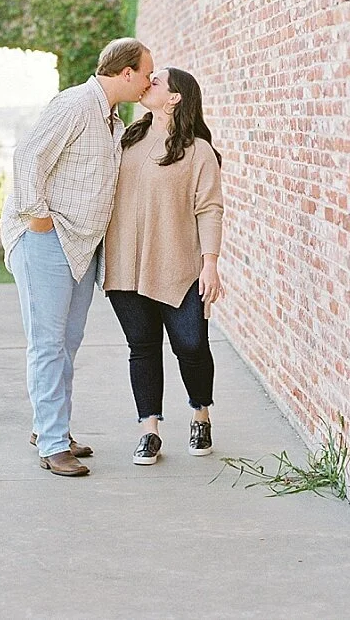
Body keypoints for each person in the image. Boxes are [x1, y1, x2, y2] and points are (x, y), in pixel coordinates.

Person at [1, 37, 155, 478]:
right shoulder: (75, 104)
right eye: (146, 73)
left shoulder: (112, 121)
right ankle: (52, 444)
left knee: (67, 343)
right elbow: (28, 156)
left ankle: (51, 429)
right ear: (126, 73)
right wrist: (39, 217)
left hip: (82, 247)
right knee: (47, 344)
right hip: (46, 239)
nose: (148, 81)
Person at [103, 67, 224, 466]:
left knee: (191, 346)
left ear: (175, 98)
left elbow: (209, 209)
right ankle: (149, 430)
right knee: (142, 347)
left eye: (157, 81)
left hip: (179, 266)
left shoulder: (198, 152)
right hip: (125, 265)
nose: (146, 83)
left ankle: (200, 413)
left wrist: (210, 265)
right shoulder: (126, 138)